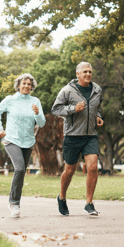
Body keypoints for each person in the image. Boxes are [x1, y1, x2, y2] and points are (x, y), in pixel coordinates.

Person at [51, 62, 104, 216]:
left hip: (90, 136)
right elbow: (56, 109)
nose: (88, 74)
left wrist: (98, 116)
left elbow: (97, 106)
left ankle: (89, 203)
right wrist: (73, 109)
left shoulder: (97, 89)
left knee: (93, 167)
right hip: (72, 136)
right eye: (85, 72)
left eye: (90, 71)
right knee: (69, 170)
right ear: (77, 74)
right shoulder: (67, 90)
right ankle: (62, 197)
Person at [0, 73, 46, 218]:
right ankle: (14, 203)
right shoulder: (10, 100)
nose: (26, 86)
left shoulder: (35, 101)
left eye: (29, 84)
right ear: (18, 85)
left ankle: (14, 201)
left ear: (32, 87)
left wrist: (37, 113)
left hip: (28, 141)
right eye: (24, 83)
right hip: (12, 139)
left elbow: (41, 123)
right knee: (20, 168)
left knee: (21, 173)